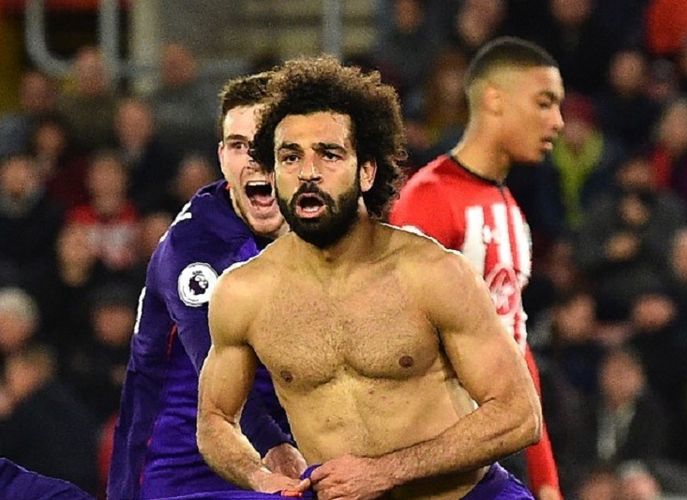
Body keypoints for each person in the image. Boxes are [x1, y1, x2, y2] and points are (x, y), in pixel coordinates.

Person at [197, 55, 541, 499]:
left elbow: (518, 415)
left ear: (366, 171)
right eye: (290, 157)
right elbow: (214, 420)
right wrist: (258, 476)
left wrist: (386, 472)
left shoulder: (432, 273)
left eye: (329, 154)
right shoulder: (243, 293)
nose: (308, 172)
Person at [107, 73, 305, 500]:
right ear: (221, 157)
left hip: (283, 448)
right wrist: (276, 448)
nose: (253, 160)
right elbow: (217, 382)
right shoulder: (195, 249)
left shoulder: (319, 226)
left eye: (266, 143)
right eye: (238, 145)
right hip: (180, 469)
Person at [389, 36, 565, 499]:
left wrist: (545, 476)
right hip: (439, 459)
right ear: (494, 99)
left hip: (497, 451)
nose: (558, 122)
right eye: (544, 103)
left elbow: (516, 350)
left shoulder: (509, 209)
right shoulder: (429, 199)